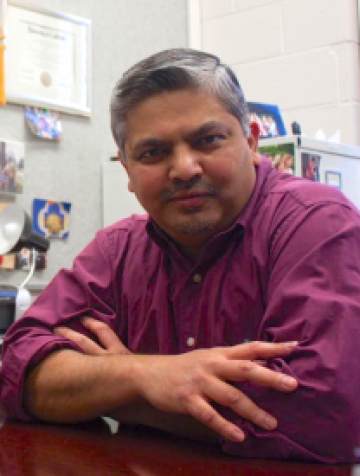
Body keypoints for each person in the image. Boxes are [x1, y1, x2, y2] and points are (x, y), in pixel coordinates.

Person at [1, 48, 360, 463]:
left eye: (208, 140)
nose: (185, 168)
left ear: (251, 141)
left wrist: (115, 393)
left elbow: (323, 412)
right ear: (128, 172)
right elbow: (18, 369)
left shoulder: (316, 225)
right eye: (153, 152)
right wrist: (142, 374)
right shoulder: (116, 250)